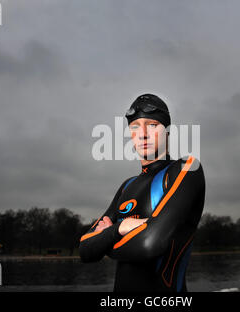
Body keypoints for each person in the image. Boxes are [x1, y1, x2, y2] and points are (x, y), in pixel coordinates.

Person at [79, 93, 205, 292]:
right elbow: (85, 250)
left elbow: (150, 243)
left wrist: (106, 238)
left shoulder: (187, 168)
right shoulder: (127, 186)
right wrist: (122, 228)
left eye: (152, 125)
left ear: (168, 132)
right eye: (135, 127)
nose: (142, 134)